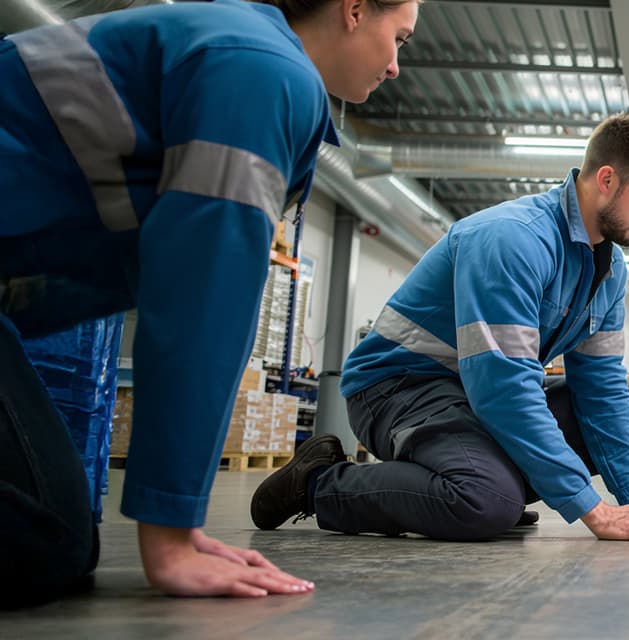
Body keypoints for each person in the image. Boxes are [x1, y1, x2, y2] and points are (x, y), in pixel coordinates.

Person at [0, 0, 418, 604]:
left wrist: (183, 530)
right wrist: (170, 536)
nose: (397, 65)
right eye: (399, 38)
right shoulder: (262, 70)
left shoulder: (252, 56)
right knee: (47, 536)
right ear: (354, 10)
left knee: (56, 530)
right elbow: (203, 298)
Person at [250, 113, 629, 543]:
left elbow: (599, 387)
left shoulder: (609, 270)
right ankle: (318, 481)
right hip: (399, 390)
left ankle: (488, 477)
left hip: (471, 395)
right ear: (607, 181)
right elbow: (503, 387)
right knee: (485, 502)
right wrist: (595, 512)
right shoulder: (512, 240)